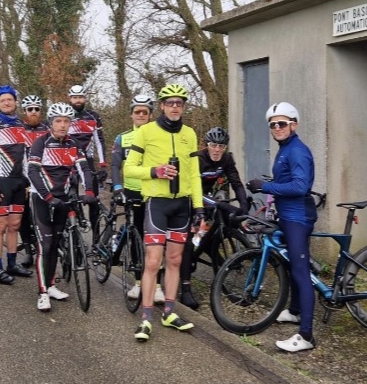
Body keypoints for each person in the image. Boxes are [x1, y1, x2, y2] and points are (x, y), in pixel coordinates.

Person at [124, 83, 203, 342]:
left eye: (179, 103)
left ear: (183, 107)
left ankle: (169, 312)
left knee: (175, 260)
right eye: (170, 103)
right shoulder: (146, 131)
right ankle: (146, 318)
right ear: (162, 106)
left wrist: (199, 207)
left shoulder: (189, 134)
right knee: (152, 261)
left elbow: (194, 174)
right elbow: (129, 169)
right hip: (157, 203)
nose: (175, 107)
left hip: (182, 205)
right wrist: (154, 171)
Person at [246, 102, 317, 352]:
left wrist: (265, 187)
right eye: (273, 124)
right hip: (288, 216)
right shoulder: (285, 148)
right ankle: (295, 311)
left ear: (293, 125)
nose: (277, 127)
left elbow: (300, 186)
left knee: (300, 271)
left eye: (282, 123)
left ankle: (306, 335)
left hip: (298, 218)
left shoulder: (297, 151)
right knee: (290, 266)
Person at [27, 102, 97, 311]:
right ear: (51, 123)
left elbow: (84, 169)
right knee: (45, 246)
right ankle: (42, 293)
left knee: (56, 243)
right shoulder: (40, 143)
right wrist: (48, 197)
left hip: (63, 199)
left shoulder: (74, 144)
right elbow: (32, 173)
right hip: (42, 199)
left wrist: (90, 192)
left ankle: (51, 285)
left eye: (66, 121)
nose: (62, 125)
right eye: (58, 121)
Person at [179, 126, 249, 309]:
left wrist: (243, 204)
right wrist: (220, 205)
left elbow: (236, 183)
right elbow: (193, 189)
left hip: (207, 196)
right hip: (190, 197)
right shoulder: (198, 158)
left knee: (223, 220)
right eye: (213, 145)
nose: (217, 150)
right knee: (189, 242)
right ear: (206, 145)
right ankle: (185, 288)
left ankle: (213, 248)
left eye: (221, 146)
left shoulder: (227, 159)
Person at [111, 94, 165, 304]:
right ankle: (138, 282)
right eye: (137, 112)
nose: (141, 115)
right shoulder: (122, 138)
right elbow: (116, 165)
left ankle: (157, 285)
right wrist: (117, 188)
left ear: (151, 115)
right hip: (132, 192)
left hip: (154, 192)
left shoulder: (159, 136)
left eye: (145, 112)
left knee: (155, 240)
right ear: (131, 115)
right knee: (136, 238)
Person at [0, 84, 33, 284]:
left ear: (15, 102)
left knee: (15, 225)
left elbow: (28, 153)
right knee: (1, 226)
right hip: (2, 180)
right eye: (2, 100)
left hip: (20, 181)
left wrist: (29, 178)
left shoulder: (23, 125)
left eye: (9, 99)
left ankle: (12, 264)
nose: (6, 103)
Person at [67, 84, 108, 243]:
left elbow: (99, 141)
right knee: (69, 196)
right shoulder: (65, 116)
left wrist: (103, 165)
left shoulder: (93, 116)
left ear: (85, 98)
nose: (77, 100)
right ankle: (75, 232)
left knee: (93, 200)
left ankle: (96, 239)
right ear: (70, 99)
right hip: (70, 161)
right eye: (75, 98)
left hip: (88, 161)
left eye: (80, 97)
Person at [19, 94, 50, 268]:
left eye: (36, 109)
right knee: (24, 214)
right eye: (29, 109)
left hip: (44, 176)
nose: (33, 112)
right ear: (25, 111)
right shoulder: (19, 129)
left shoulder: (47, 128)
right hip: (24, 176)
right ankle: (28, 251)